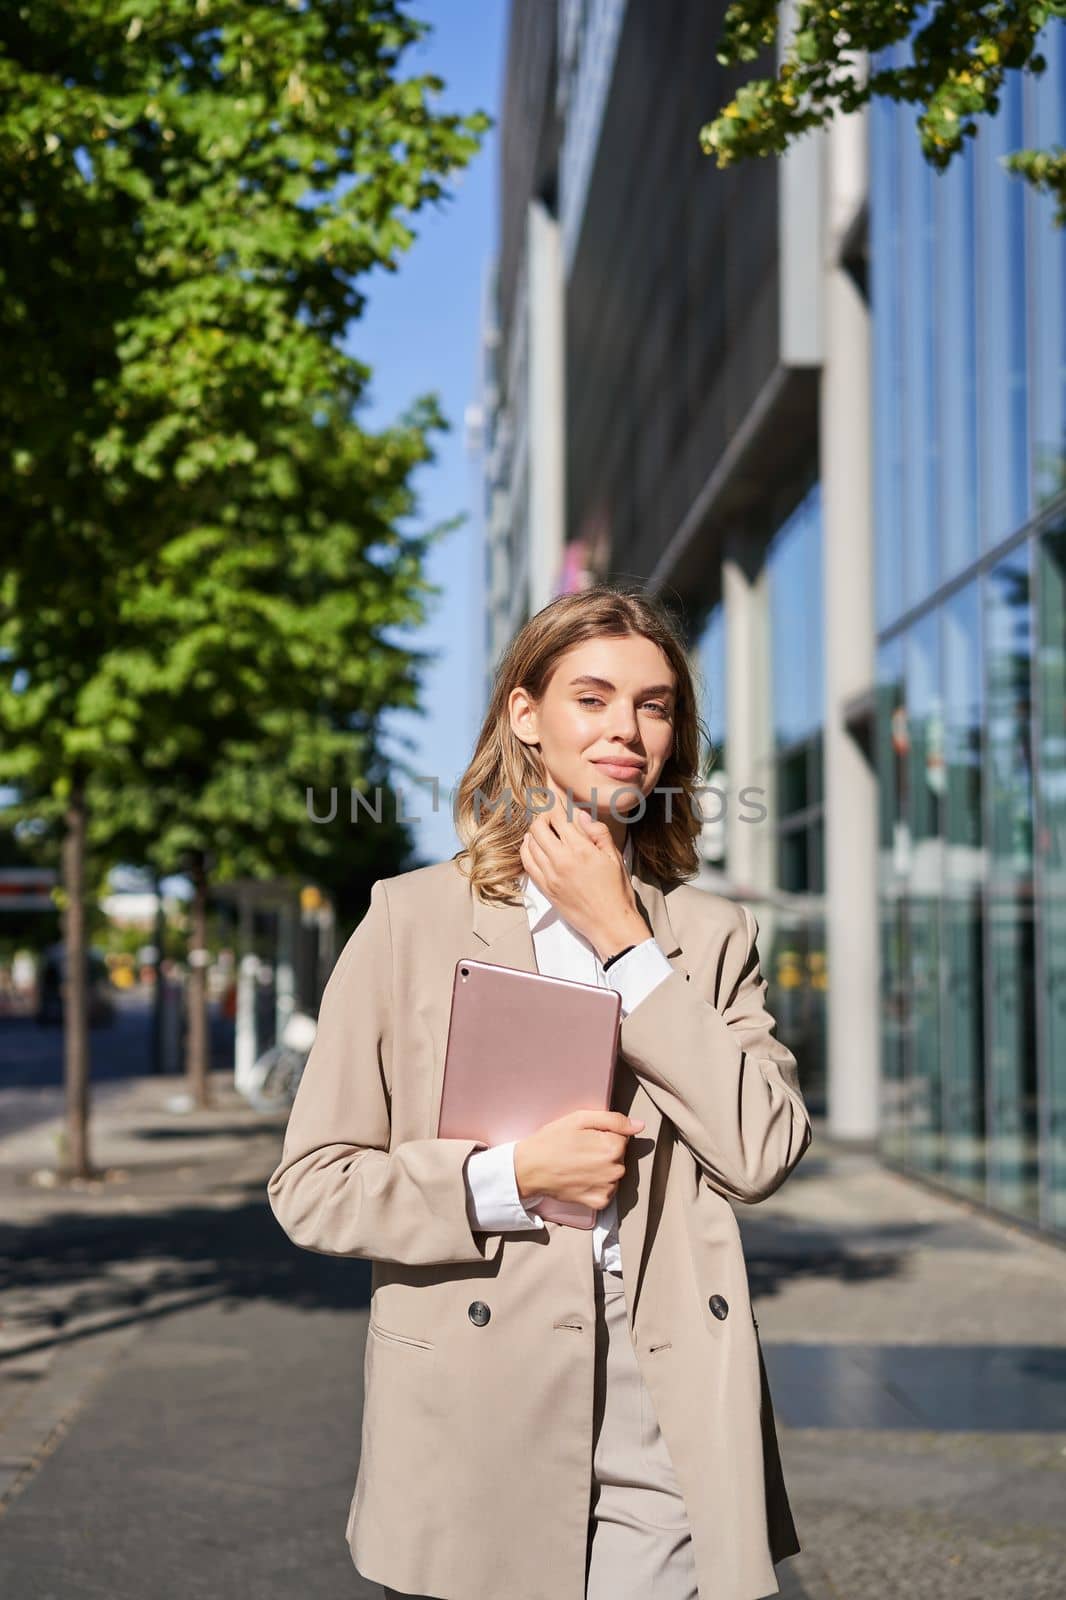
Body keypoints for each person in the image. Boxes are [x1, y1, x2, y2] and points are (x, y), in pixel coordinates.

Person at [267, 584, 813, 1600]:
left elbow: (761, 1147)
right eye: (592, 698)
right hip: (477, 1403)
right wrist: (504, 1179)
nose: (627, 729)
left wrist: (625, 943)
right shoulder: (411, 922)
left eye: (654, 706)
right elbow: (312, 1183)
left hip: (667, 1394)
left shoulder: (708, 935)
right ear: (527, 716)